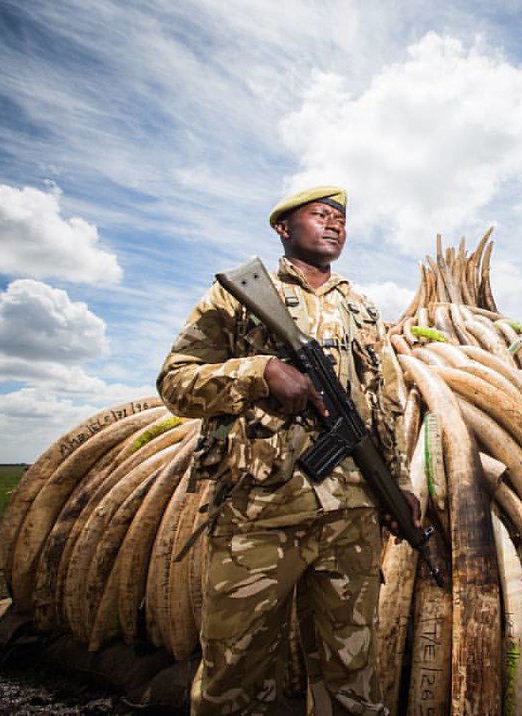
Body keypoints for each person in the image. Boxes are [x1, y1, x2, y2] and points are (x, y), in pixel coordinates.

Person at [157, 185, 419, 715]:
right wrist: (260, 372)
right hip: (260, 515)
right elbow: (176, 382)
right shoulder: (237, 294)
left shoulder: (362, 310)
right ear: (283, 227)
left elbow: (384, 408)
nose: (334, 225)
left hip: (352, 517)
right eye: (320, 215)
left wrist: (400, 486)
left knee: (353, 669)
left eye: (341, 219)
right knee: (237, 668)